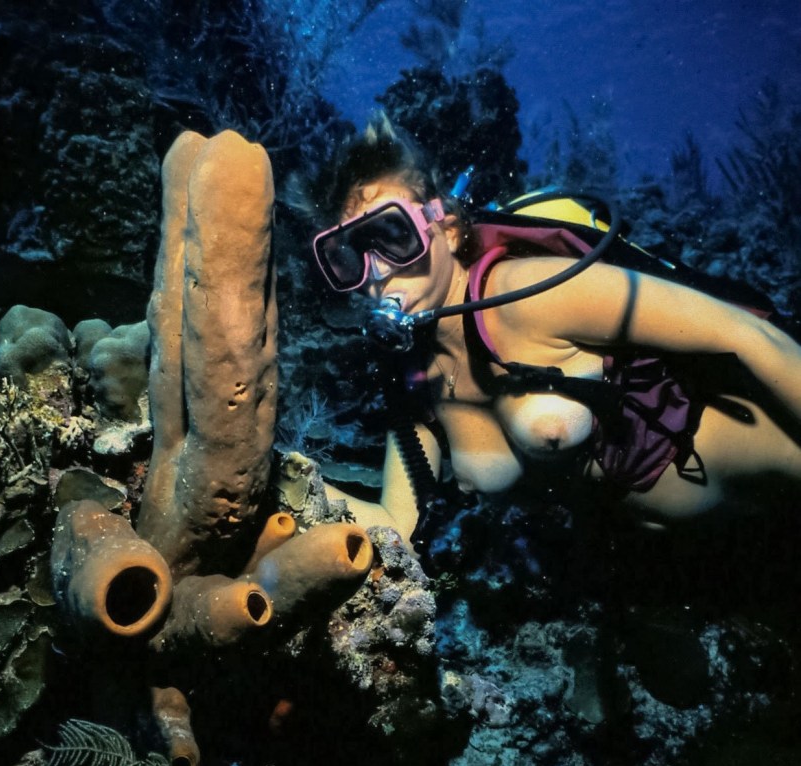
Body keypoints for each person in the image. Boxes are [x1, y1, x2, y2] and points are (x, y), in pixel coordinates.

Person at [298, 116, 801, 549]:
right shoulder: (414, 378)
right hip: (703, 552)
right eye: (348, 256)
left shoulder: (527, 293)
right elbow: (397, 528)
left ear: (446, 229)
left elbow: (747, 335)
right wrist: (282, 483)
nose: (378, 270)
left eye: (391, 234)